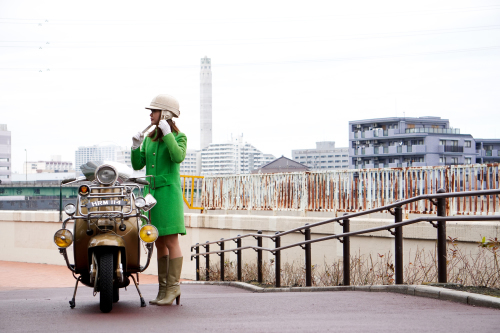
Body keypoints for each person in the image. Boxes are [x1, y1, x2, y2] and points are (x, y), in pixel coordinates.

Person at [130, 94, 187, 306]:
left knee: (171, 240)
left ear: (164, 113)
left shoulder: (179, 137)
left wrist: (168, 134)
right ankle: (163, 290)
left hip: (169, 195)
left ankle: (173, 287)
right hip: (151, 197)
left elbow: (177, 156)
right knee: (159, 241)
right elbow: (138, 165)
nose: (150, 114)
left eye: (154, 111)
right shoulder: (149, 138)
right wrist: (135, 146)